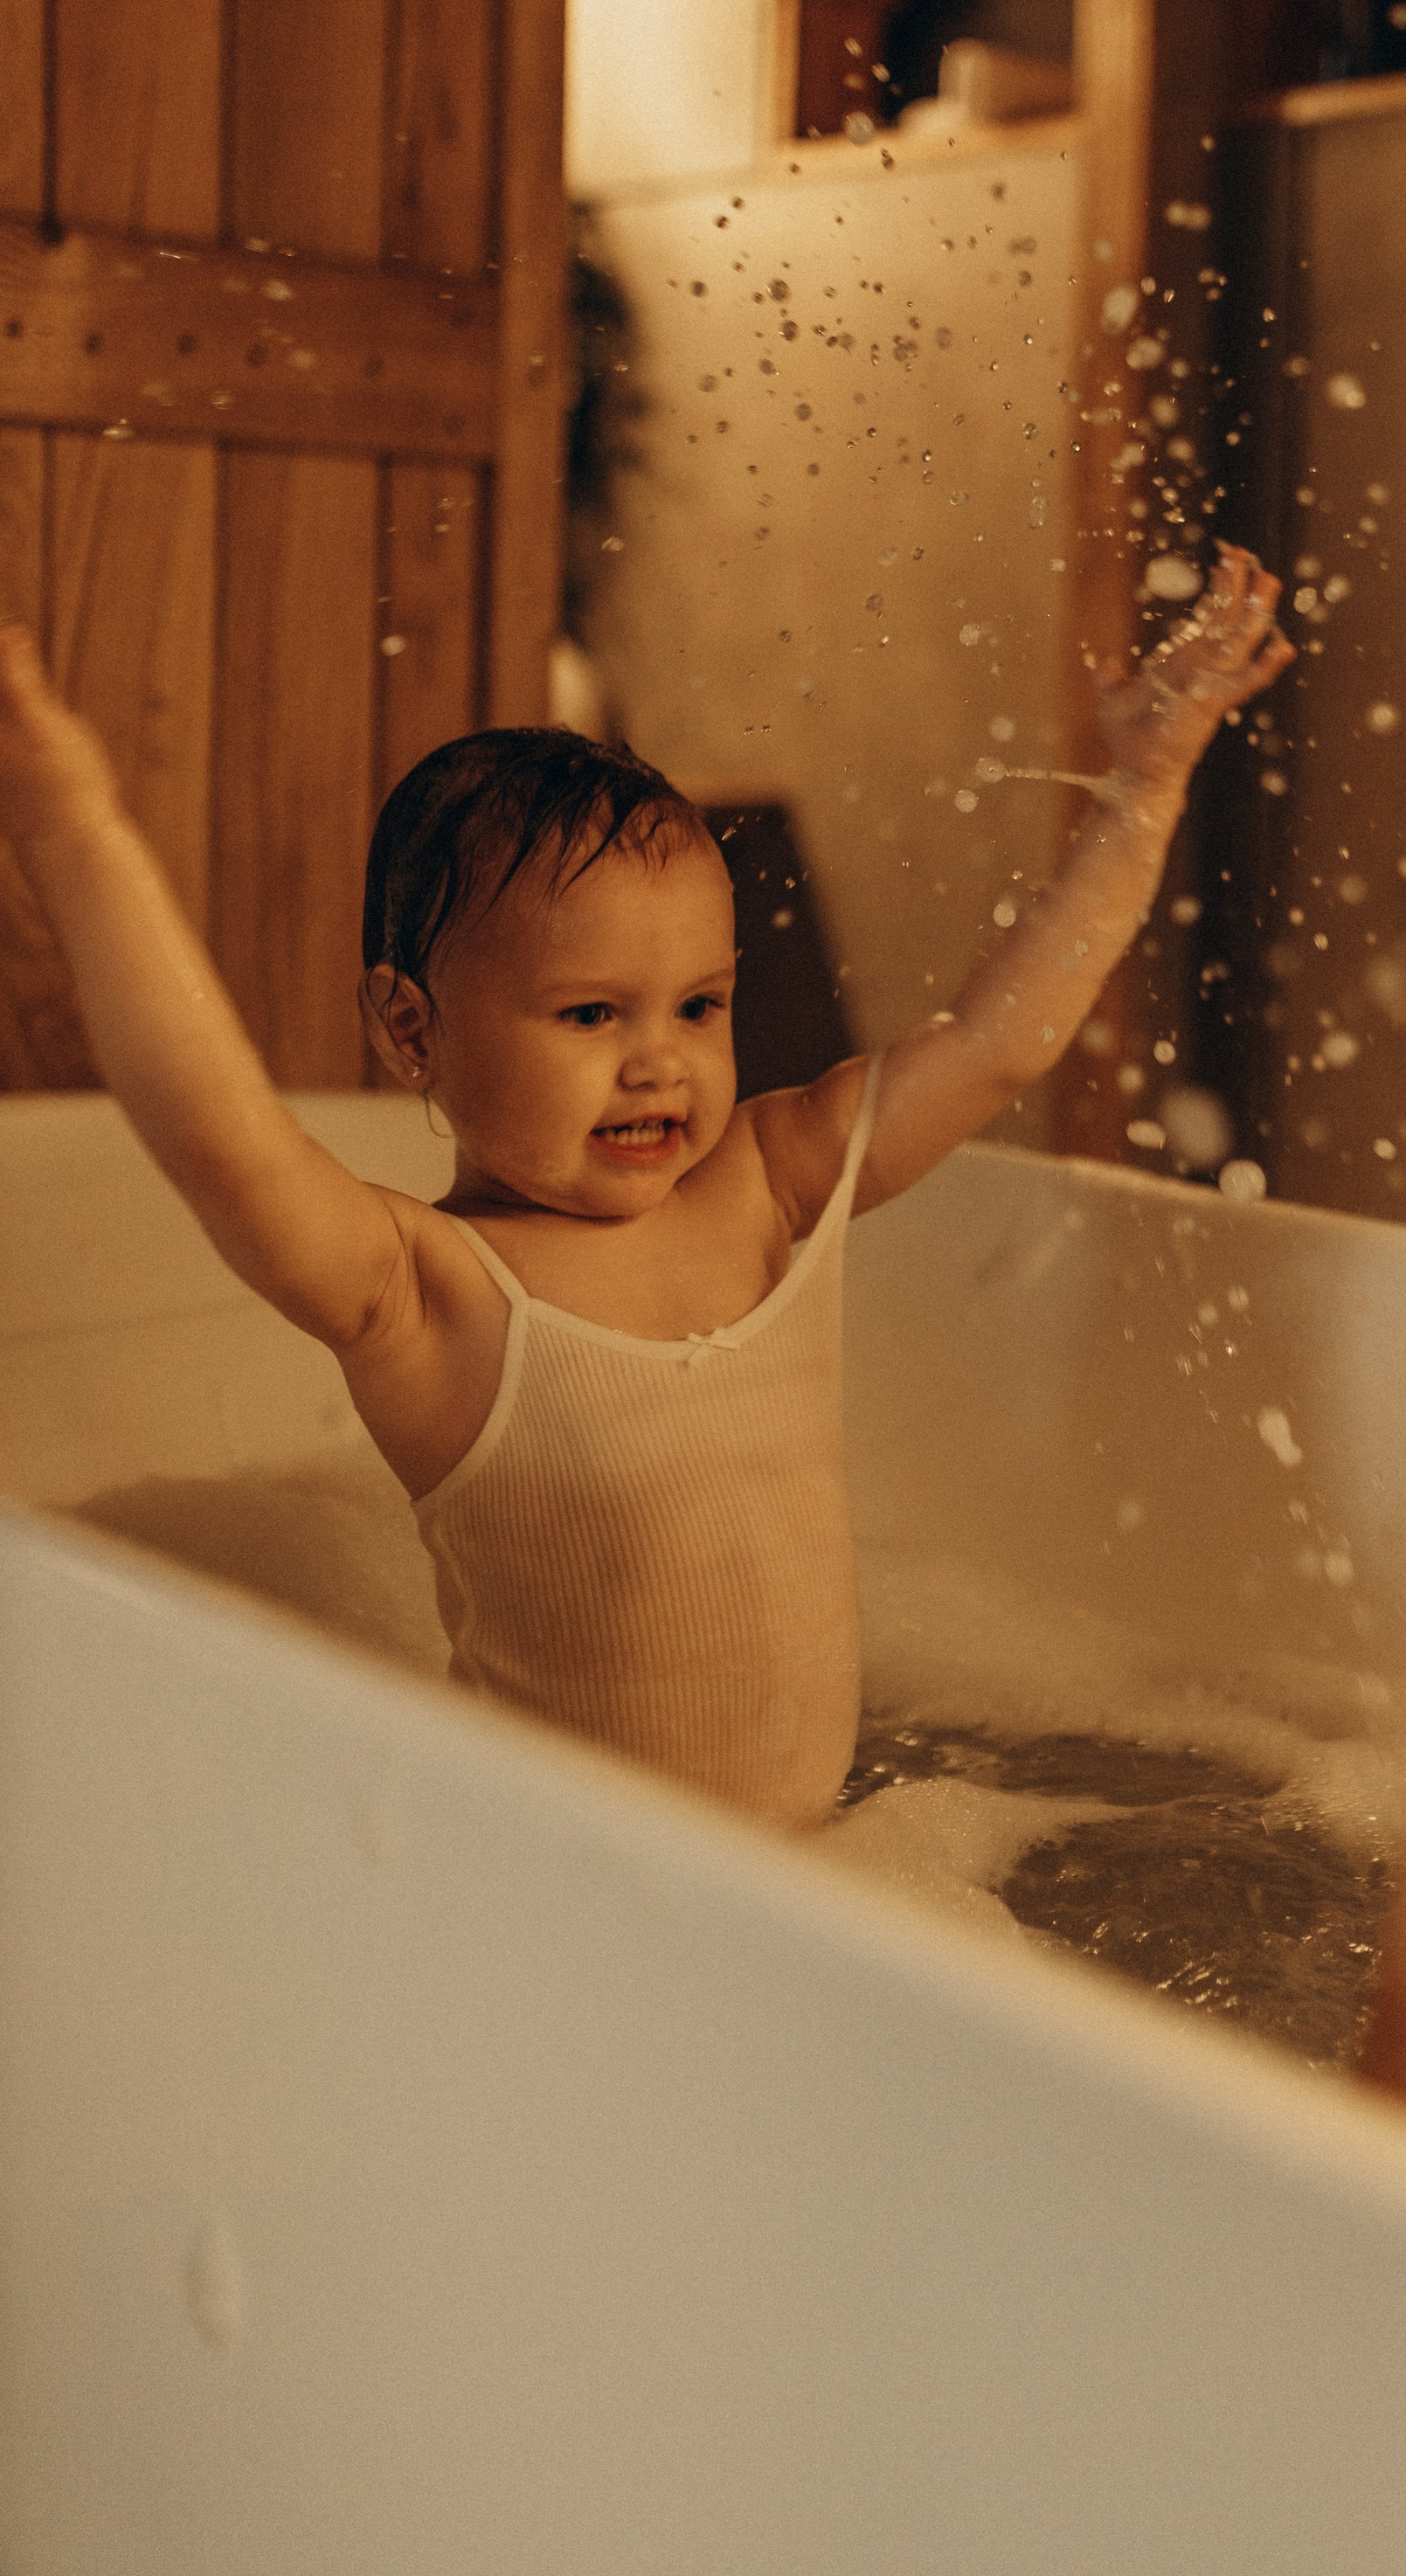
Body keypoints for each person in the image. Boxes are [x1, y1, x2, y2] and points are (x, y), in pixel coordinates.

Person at [0, 550, 1292, 1831]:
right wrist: (71, 825)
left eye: (700, 1005)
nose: (659, 1060)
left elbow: (1003, 1040)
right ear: (410, 1031)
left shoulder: (768, 1184)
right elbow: (221, 1142)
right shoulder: (430, 1296)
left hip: (824, 1870)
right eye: (589, 1012)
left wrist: (1144, 785)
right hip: (573, 1895)